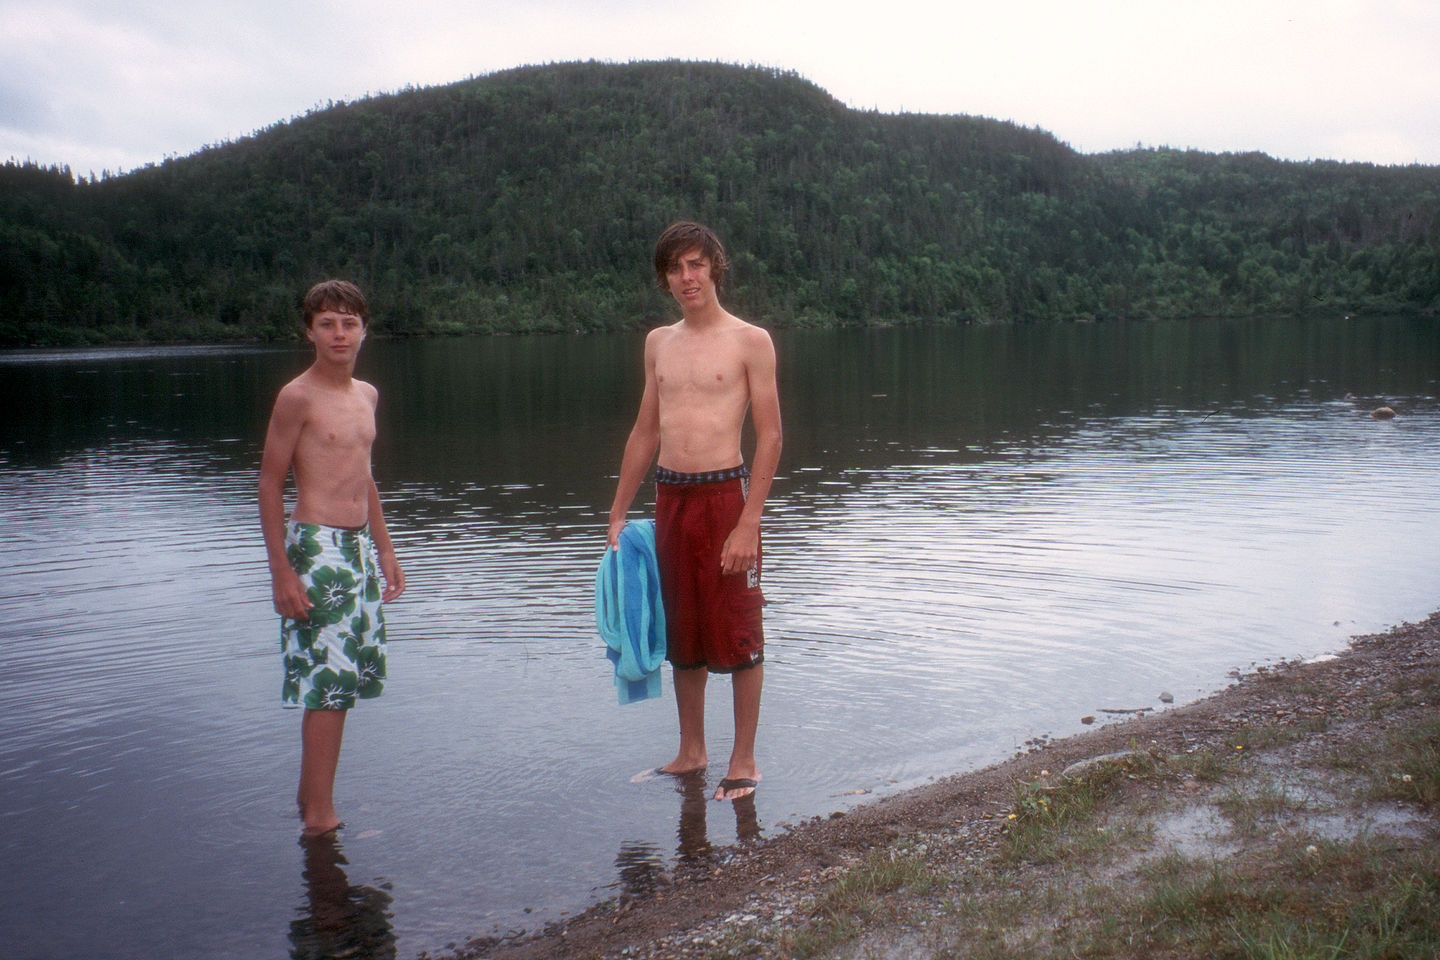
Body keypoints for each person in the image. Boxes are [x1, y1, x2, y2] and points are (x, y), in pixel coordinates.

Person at [608, 222, 782, 802]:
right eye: (675, 268)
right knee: (681, 629)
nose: (687, 277)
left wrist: (749, 520)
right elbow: (644, 431)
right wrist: (615, 514)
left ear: (715, 268)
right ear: (665, 278)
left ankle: (745, 759)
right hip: (671, 498)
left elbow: (772, 435)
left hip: (726, 497)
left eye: (696, 265)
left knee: (738, 628)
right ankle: (692, 751)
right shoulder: (659, 341)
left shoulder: (749, 340)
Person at [259, 279, 405, 836]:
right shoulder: (298, 396)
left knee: (344, 679)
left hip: (357, 547)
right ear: (310, 331)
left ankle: (307, 799)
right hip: (317, 546)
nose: (339, 334)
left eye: (349, 323)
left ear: (364, 329)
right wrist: (282, 571)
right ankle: (320, 818)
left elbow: (364, 476)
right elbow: (270, 484)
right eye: (327, 323)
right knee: (330, 683)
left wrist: (385, 549)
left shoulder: (365, 394)